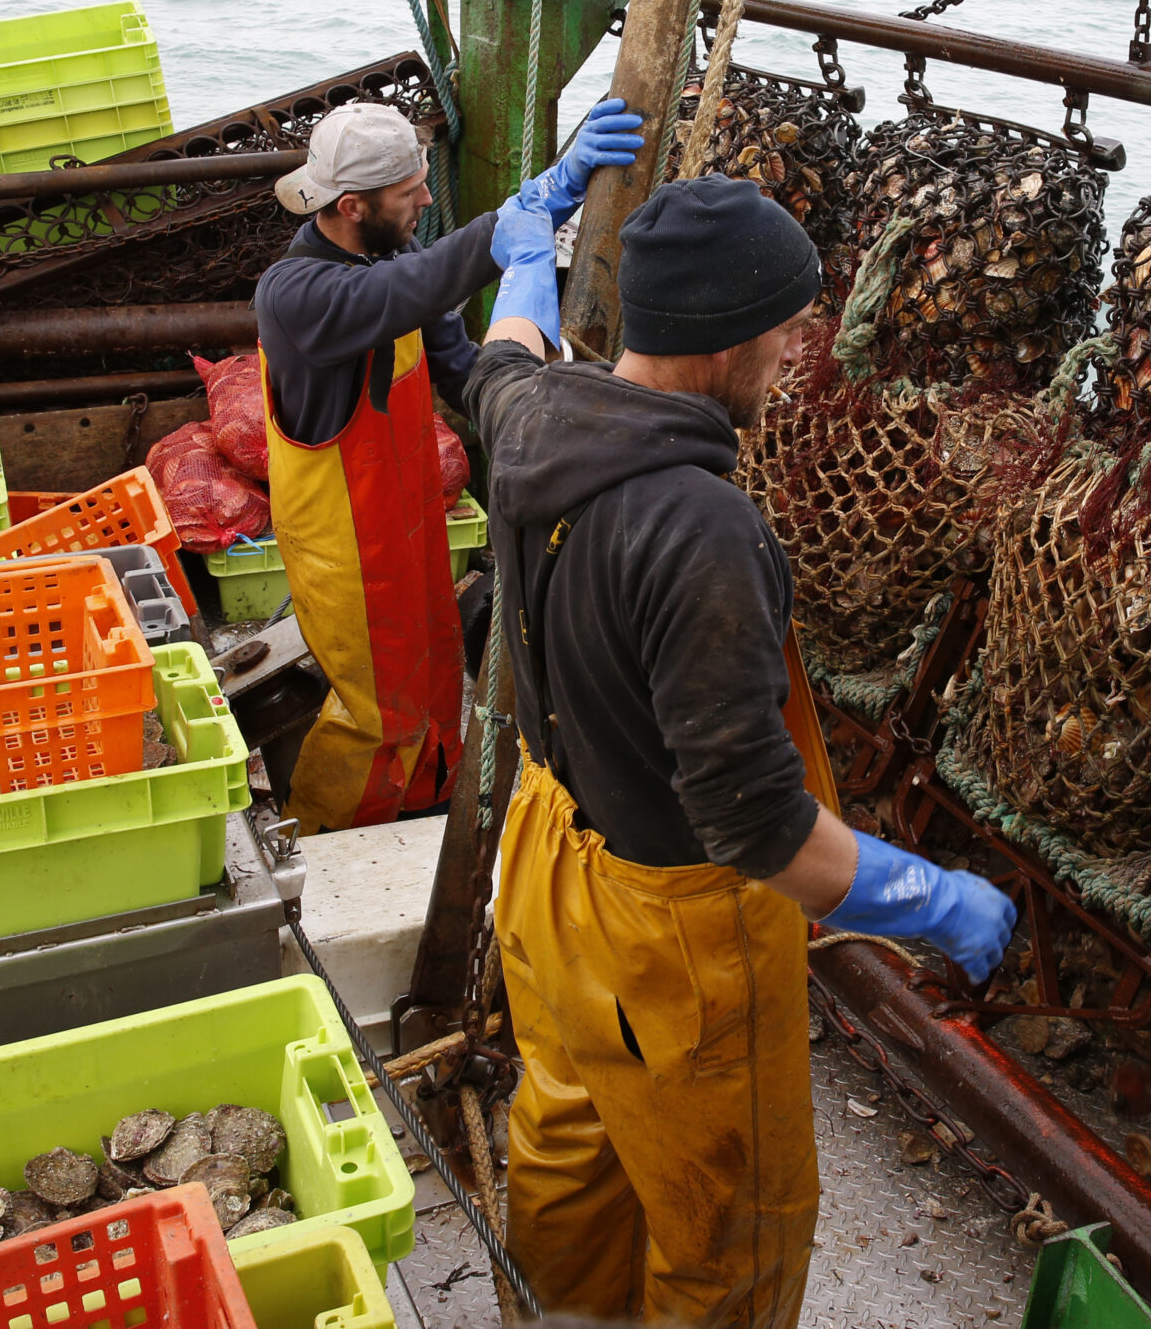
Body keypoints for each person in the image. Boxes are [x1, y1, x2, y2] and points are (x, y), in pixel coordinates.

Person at [465, 171, 1018, 1327]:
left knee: (566, 1130)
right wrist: (931, 898)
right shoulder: (700, 528)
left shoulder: (531, 414)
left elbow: (502, 350)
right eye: (787, 325)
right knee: (732, 1219)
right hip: (672, 936)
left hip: (549, 865)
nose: (794, 350)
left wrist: (525, 251)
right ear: (724, 341)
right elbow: (756, 825)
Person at [253, 96, 642, 832]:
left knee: (433, 683)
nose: (428, 199)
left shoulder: (390, 256)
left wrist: (549, 419)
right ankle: (319, 842)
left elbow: (461, 364)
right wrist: (512, 221)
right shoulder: (296, 294)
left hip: (409, 531)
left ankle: (425, 803)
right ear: (351, 204)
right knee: (377, 715)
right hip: (345, 557)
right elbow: (407, 289)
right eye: (410, 194)